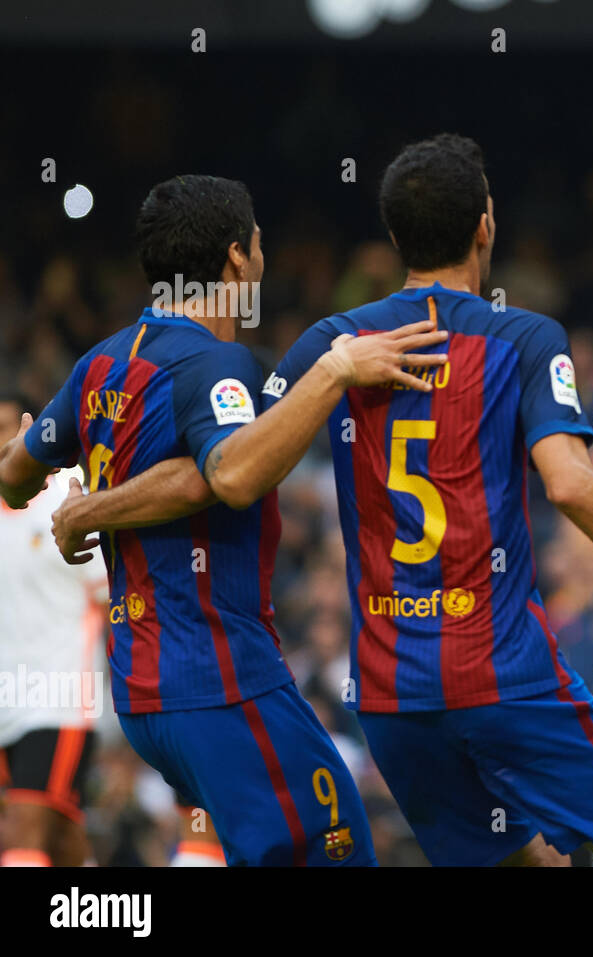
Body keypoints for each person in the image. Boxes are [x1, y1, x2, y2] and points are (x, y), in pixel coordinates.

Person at [51, 137, 593, 866]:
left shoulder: (329, 343)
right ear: (486, 224)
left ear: (392, 235)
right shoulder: (525, 339)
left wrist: (94, 505)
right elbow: (570, 482)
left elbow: (228, 470)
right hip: (506, 676)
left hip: (389, 697)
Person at [0, 174, 441, 865]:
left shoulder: (98, 362)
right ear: (238, 259)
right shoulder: (217, 364)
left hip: (143, 693)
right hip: (220, 676)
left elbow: (13, 474)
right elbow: (232, 472)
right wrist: (335, 372)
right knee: (340, 845)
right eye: (260, 241)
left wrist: (69, 486)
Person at [0, 392, 107, 866]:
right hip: (5, 696)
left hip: (59, 694)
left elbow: (111, 591)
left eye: (8, 427)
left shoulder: (70, 492)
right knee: (59, 836)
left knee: (21, 827)